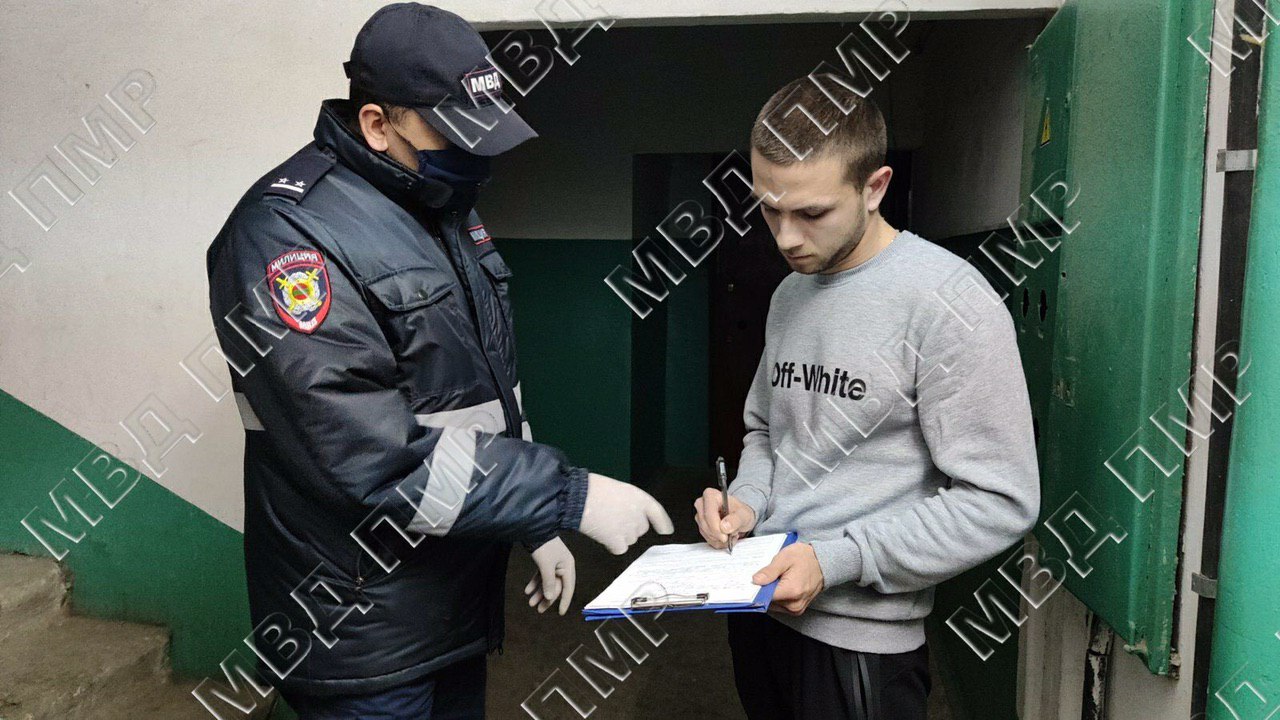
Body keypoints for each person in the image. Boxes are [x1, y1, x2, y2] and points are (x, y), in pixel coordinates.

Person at [205, 4, 672, 717]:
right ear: (376, 124)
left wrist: (528, 524)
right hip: (359, 626)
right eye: (455, 135)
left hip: (450, 602)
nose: (476, 156)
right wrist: (565, 497)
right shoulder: (285, 237)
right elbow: (368, 457)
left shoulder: (442, 208)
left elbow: (481, 402)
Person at [693, 77, 1041, 720]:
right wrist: (746, 501)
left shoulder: (950, 302)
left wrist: (837, 560)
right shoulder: (789, 293)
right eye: (769, 209)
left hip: (860, 646)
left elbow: (1001, 500)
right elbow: (767, 433)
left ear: (875, 188)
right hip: (759, 607)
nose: (785, 238)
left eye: (812, 213)